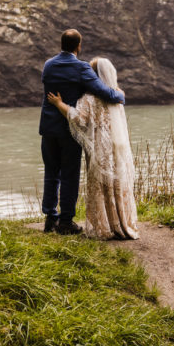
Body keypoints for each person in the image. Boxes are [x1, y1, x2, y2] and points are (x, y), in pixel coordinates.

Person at [39, 29, 124, 235]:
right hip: (70, 129)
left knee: (51, 173)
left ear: (61, 43)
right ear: (79, 46)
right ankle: (66, 222)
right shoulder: (81, 68)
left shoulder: (48, 65)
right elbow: (102, 91)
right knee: (69, 175)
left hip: (48, 127)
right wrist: (119, 96)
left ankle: (50, 218)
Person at [47, 56, 139, 240]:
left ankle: (104, 227)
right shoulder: (117, 94)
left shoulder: (89, 98)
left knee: (101, 185)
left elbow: (78, 118)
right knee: (117, 183)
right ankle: (121, 223)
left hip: (100, 146)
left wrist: (59, 104)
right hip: (117, 145)